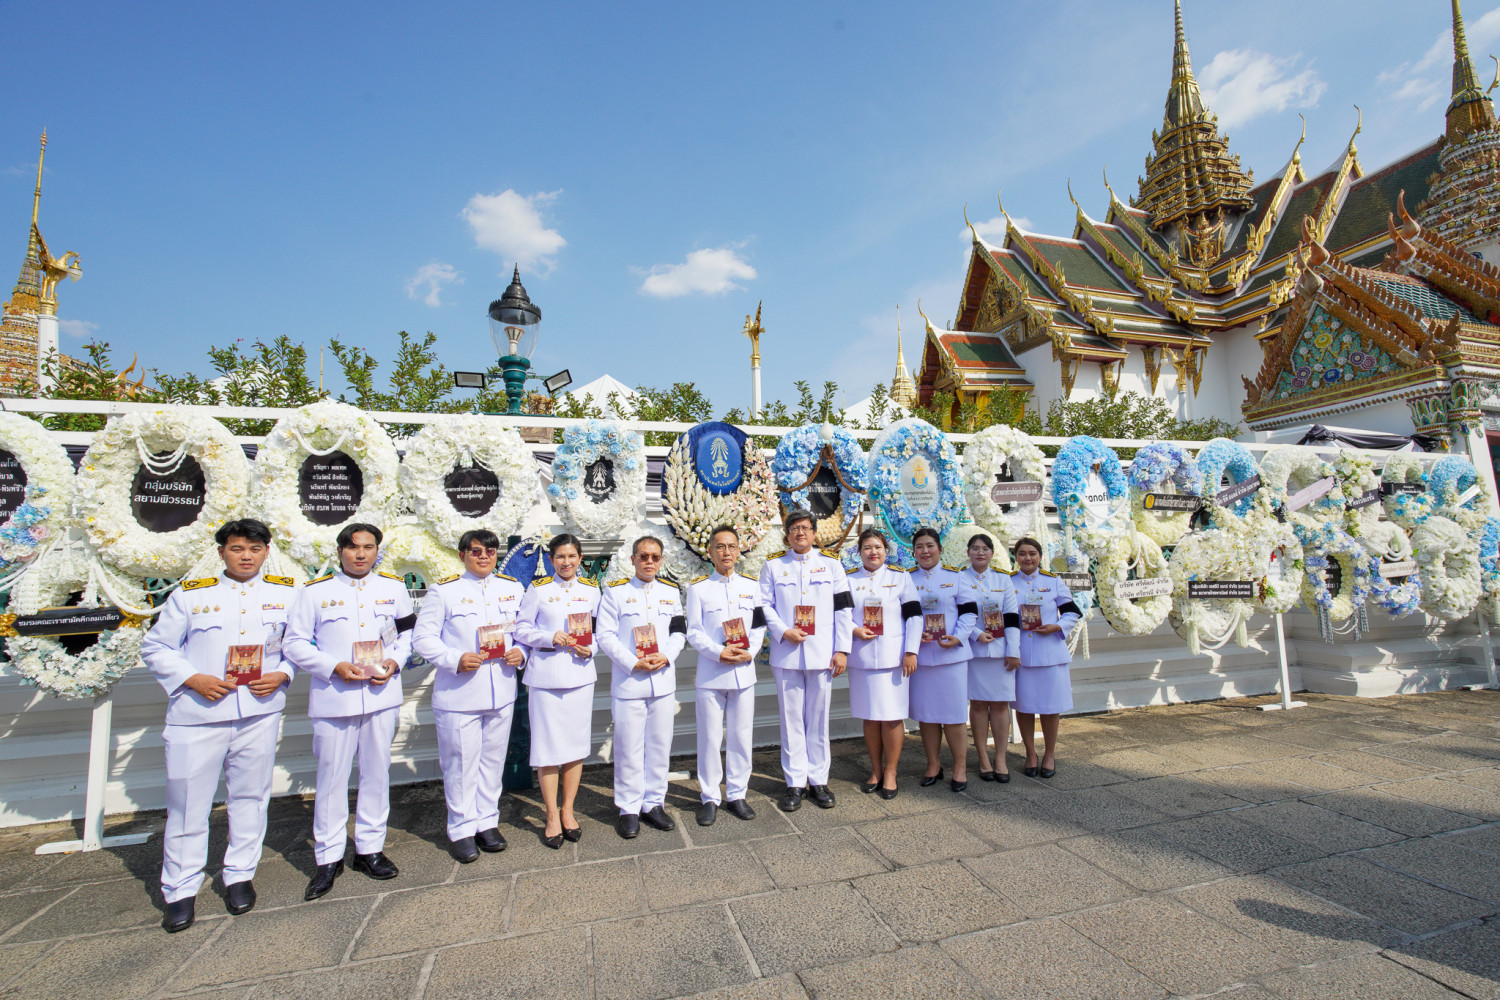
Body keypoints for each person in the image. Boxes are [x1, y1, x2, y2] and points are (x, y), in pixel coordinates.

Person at [142, 519, 297, 933]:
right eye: (236, 548)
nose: (246, 556)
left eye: (254, 548)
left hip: (258, 711)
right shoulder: (193, 597)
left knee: (250, 795)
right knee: (189, 803)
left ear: (266, 551)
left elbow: (300, 645)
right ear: (222, 552)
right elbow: (156, 646)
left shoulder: (286, 595)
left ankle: (240, 873)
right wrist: (192, 678)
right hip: (200, 714)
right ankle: (179, 889)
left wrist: (283, 673)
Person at [284, 522, 414, 900]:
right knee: (331, 777)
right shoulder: (314, 593)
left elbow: (406, 634)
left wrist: (394, 662)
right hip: (335, 696)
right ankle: (328, 857)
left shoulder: (392, 588)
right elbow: (294, 644)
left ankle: (370, 849)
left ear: (377, 551)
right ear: (340, 551)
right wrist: (333, 666)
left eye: (369, 547)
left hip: (380, 694)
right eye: (354, 547)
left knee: (376, 773)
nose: (361, 554)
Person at [411, 528, 527, 863]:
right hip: (460, 693)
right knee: (461, 764)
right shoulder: (444, 591)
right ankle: (461, 828)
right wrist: (454, 658)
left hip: (501, 690)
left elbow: (523, 630)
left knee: (492, 762)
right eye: (475, 551)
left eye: (490, 551)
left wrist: (522, 652)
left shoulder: (511, 588)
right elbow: (423, 638)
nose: (483, 556)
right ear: (463, 555)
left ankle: (487, 821)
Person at [758, 509, 853, 812]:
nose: (800, 532)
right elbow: (763, 605)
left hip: (822, 653)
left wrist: (842, 649)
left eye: (806, 528)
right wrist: (783, 631)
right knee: (791, 720)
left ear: (814, 533)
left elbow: (843, 610)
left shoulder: (832, 565)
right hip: (786, 654)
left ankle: (819, 780)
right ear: (787, 534)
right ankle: (795, 782)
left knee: (818, 719)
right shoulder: (773, 566)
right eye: (795, 528)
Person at [598, 536, 687, 839]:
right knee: (628, 748)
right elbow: (605, 635)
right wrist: (631, 662)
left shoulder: (670, 591)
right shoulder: (616, 593)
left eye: (655, 557)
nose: (650, 562)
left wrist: (667, 655)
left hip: (662, 682)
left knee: (660, 747)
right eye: (644, 556)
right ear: (633, 559)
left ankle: (653, 803)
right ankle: (628, 807)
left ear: (661, 561)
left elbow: (678, 631)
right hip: (630, 682)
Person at [514, 534, 599, 848]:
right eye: (560, 557)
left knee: (575, 748)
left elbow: (599, 629)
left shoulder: (591, 589)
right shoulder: (538, 590)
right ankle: (551, 814)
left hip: (579, 677)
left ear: (580, 559)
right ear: (551, 560)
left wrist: (592, 649)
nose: (566, 562)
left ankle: (568, 810)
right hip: (546, 679)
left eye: (572, 556)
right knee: (548, 750)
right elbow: (521, 628)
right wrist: (550, 637)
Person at [685, 525, 766, 826]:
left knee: (742, 736)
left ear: (739, 550)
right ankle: (709, 797)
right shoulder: (698, 588)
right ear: (710, 553)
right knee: (709, 738)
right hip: (711, 674)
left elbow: (758, 625)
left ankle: (737, 793)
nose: (727, 552)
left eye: (732, 546)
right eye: (720, 547)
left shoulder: (751, 586)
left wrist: (752, 652)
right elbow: (693, 630)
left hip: (744, 673)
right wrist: (718, 652)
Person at [845, 528, 920, 800]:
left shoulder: (901, 578)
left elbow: (914, 616)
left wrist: (911, 650)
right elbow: (840, 614)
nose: (872, 552)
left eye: (877, 547)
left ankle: (891, 771)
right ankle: (875, 770)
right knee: (870, 717)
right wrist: (854, 629)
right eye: (867, 547)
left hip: (894, 659)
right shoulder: (849, 579)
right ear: (859, 552)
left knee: (890, 718)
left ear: (886, 551)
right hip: (862, 659)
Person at [908, 527, 978, 792]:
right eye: (919, 547)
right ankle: (933, 765)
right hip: (923, 658)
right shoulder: (908, 579)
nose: (925, 551)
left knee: (954, 715)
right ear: (913, 552)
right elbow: (903, 615)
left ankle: (960, 767)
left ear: (939, 549)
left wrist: (959, 636)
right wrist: (915, 636)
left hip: (952, 657)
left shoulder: (956, 577)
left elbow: (970, 612)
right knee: (926, 716)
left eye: (930, 546)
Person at [1010, 536, 1081, 778]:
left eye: (1032, 553)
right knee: (1024, 706)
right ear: (1016, 557)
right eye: (1022, 554)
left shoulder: (1053, 581)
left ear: (1040, 556)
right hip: (1022, 655)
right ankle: (1030, 753)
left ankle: (1049, 753)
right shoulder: (1008, 582)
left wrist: (1058, 626)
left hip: (1050, 653)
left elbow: (1072, 612)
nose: (1027, 558)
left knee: (1051, 708)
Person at [962, 533, 1021, 782]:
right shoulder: (960, 578)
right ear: (968, 552)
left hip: (1000, 652)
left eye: (985, 549)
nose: (980, 553)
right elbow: (958, 613)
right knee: (977, 704)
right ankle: (983, 758)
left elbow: (1012, 616)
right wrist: (975, 635)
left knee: (999, 704)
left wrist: (1013, 650)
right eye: (975, 548)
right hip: (974, 652)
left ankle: (1000, 758)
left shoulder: (1002, 579)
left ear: (992, 553)